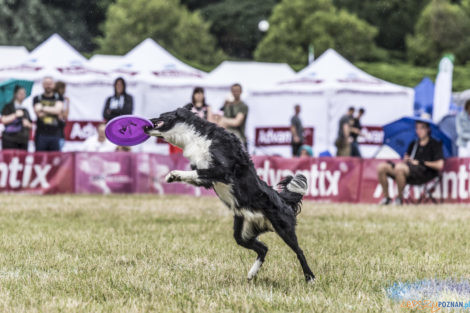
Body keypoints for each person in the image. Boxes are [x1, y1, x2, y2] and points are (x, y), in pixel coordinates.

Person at [376, 121, 444, 205]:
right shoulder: (414, 144)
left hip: (424, 173)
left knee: (399, 168)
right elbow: (406, 162)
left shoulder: (435, 144)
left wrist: (421, 162)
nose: (418, 130)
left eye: (421, 128)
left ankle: (399, 199)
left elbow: (439, 165)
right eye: (417, 128)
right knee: (382, 167)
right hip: (408, 171)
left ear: (428, 129)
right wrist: (406, 160)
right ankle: (386, 198)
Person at [33, 77, 64, 151]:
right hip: (41, 134)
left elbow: (58, 110)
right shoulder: (37, 98)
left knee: (55, 159)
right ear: (43, 85)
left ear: (53, 85)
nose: (48, 86)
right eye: (46, 84)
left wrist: (42, 108)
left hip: (55, 134)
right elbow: (38, 113)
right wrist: (53, 109)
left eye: (50, 84)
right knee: (40, 158)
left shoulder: (59, 97)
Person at [0, 85, 32, 150]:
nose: (22, 95)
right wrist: (15, 115)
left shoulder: (25, 109)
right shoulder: (8, 107)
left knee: (22, 159)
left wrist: (27, 124)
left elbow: (31, 125)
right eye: (20, 93)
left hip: (23, 139)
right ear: (15, 94)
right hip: (9, 139)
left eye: (24, 93)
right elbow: (3, 120)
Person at [217, 83, 249, 148]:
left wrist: (224, 120)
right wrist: (225, 105)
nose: (235, 93)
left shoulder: (243, 106)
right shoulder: (227, 105)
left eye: (237, 90)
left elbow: (237, 122)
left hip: (238, 136)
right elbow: (218, 117)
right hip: (225, 136)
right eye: (234, 91)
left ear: (241, 92)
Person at [54, 81, 69, 150]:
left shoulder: (63, 99)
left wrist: (67, 102)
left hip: (60, 132)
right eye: (63, 88)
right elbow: (63, 116)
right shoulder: (55, 98)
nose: (65, 90)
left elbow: (65, 116)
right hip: (55, 132)